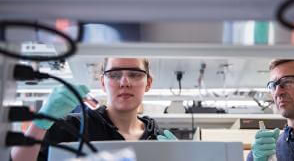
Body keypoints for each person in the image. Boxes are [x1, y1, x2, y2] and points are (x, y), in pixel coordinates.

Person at [11, 58, 176, 161]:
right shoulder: (72, 127)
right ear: (103, 83)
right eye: (115, 75)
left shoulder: (159, 138)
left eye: (135, 74)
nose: (124, 82)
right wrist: (40, 122)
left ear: (148, 83)